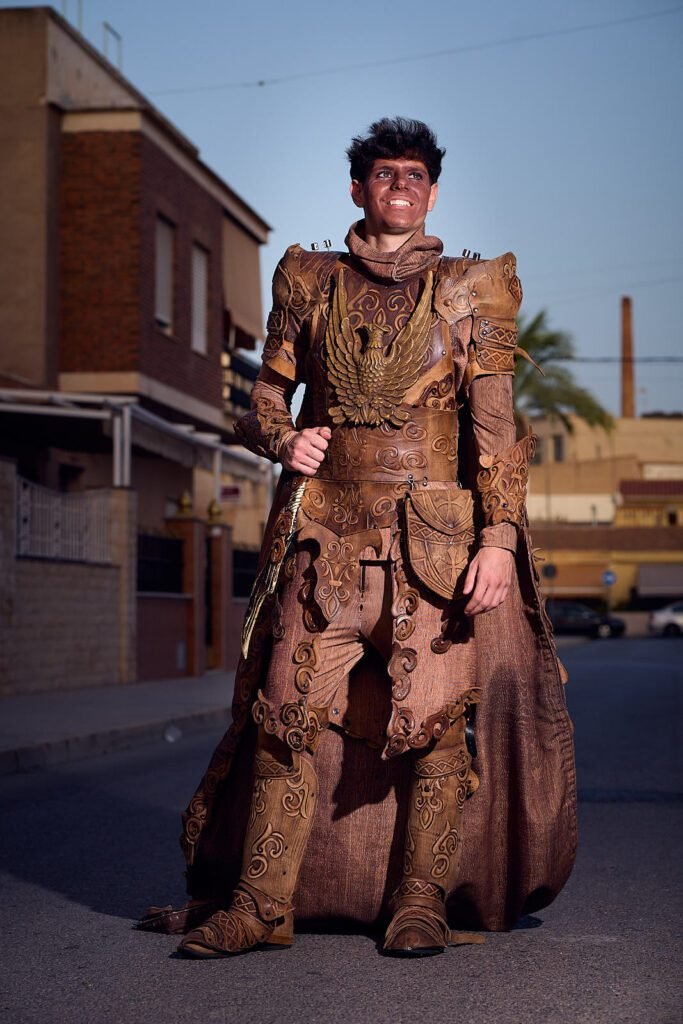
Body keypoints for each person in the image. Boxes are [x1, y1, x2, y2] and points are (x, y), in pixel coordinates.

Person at [138, 117, 576, 958]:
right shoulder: (304, 278)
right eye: (384, 174)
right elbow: (262, 398)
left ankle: (418, 904)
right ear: (358, 187)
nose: (401, 186)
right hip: (323, 539)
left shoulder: (473, 287)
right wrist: (282, 438)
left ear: (433, 190)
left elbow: (494, 431)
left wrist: (498, 541)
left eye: (415, 174)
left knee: (439, 728)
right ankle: (261, 907)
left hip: (437, 547)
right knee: (281, 717)